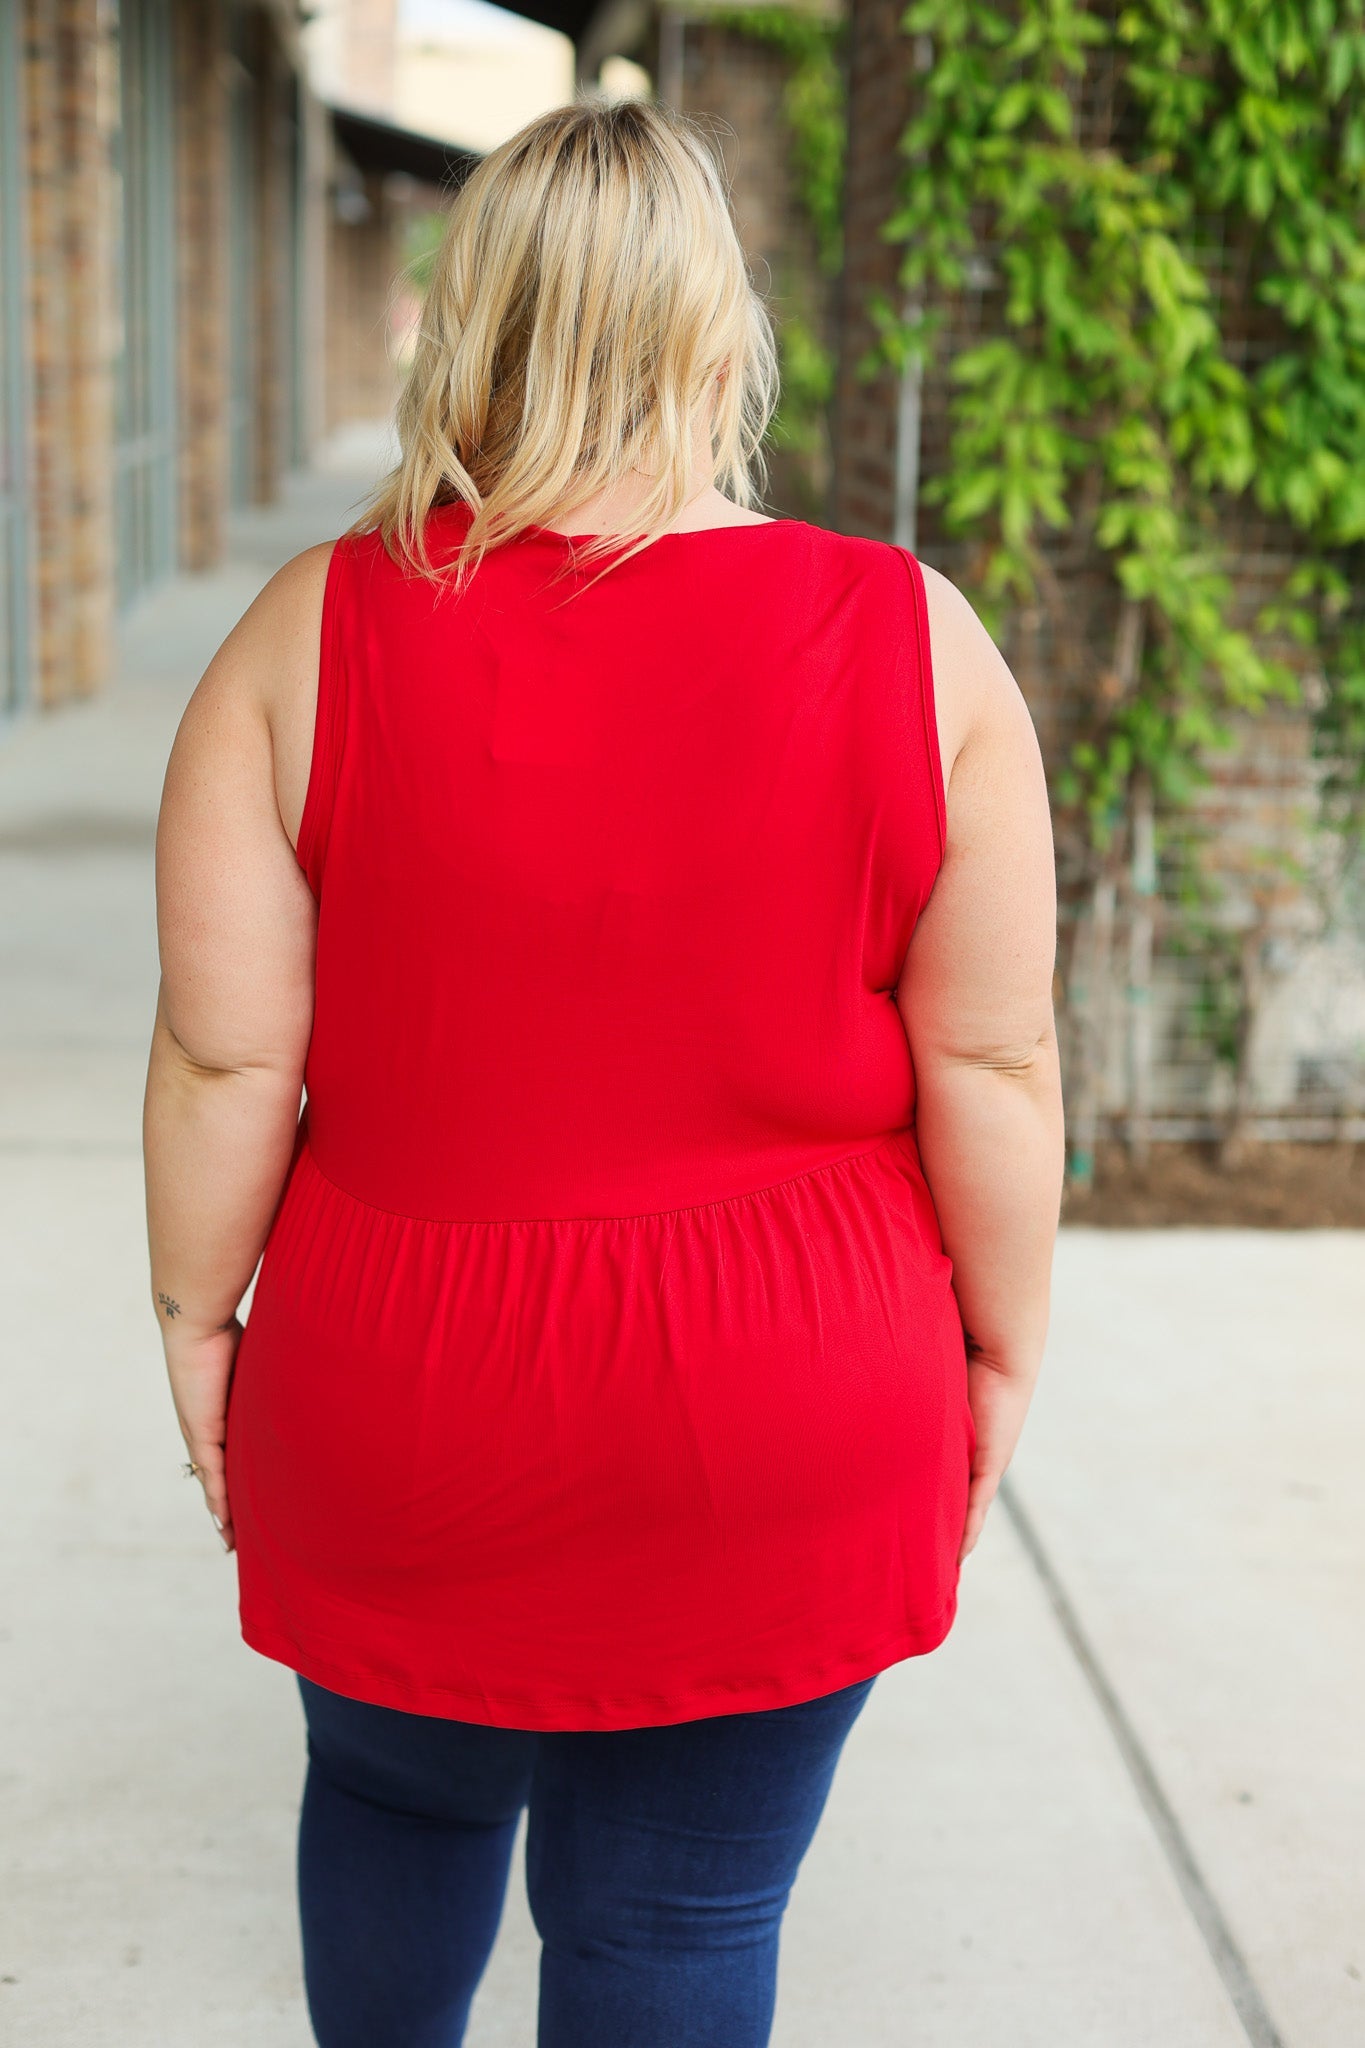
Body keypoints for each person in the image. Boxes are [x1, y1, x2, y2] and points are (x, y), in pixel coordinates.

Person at [142, 97, 1064, 2048]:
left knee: (396, 1791)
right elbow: (988, 1054)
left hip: (403, 1394)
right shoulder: (917, 642)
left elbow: (229, 1053)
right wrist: (995, 1345)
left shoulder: (305, 639)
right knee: (675, 1905)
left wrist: (194, 1319)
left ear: (457, 327)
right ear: (720, 338)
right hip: (790, 1393)